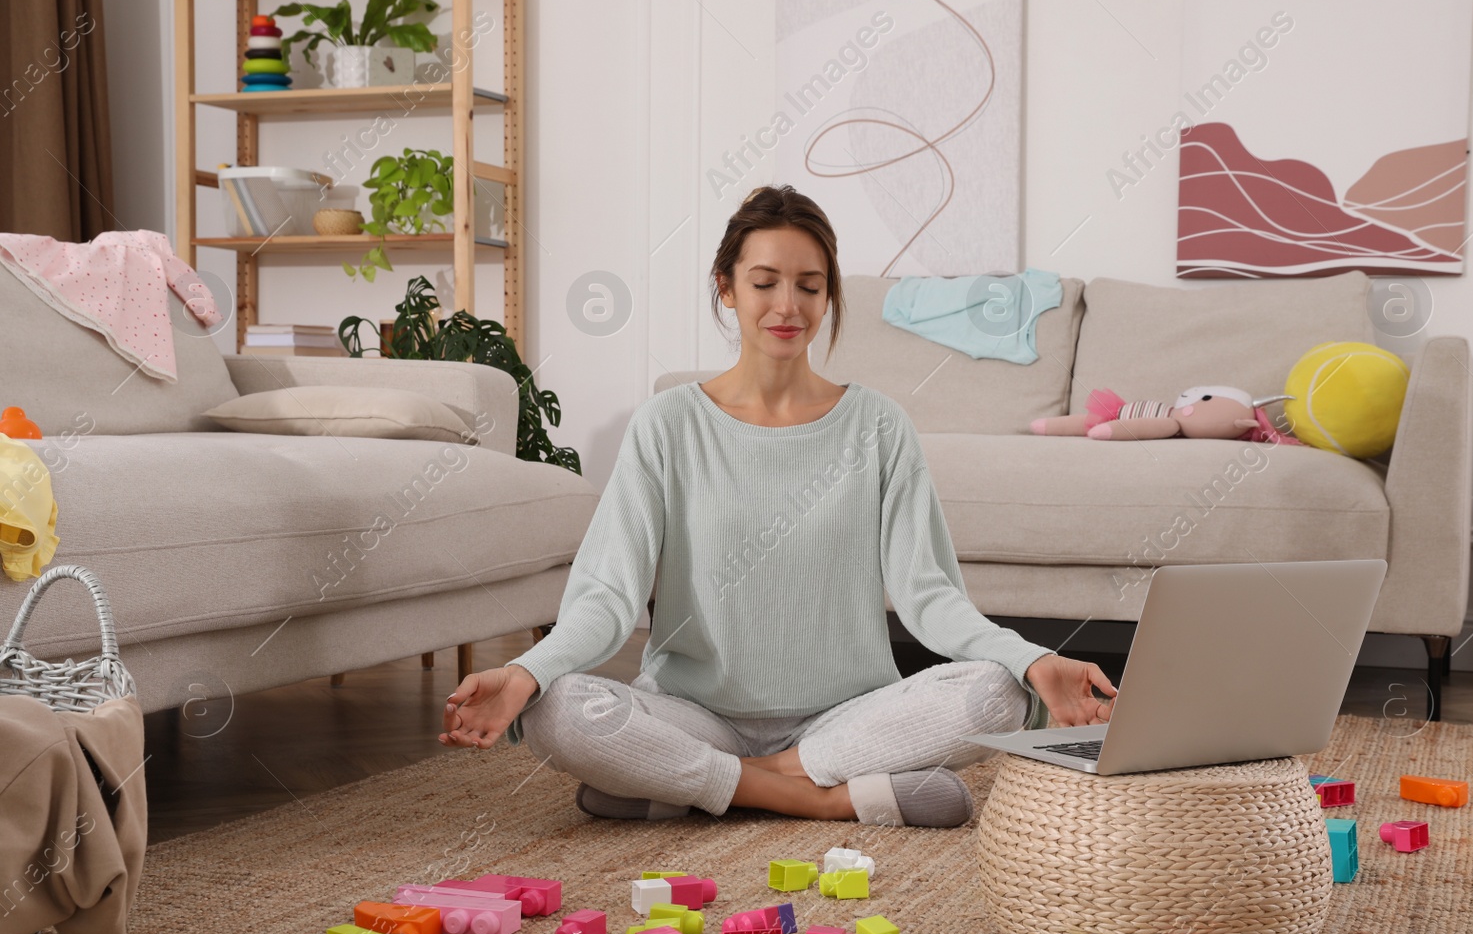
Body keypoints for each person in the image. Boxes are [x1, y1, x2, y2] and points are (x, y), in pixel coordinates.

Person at [438, 184, 1118, 827]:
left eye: (809, 286)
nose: (787, 305)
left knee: (997, 691)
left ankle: (692, 787)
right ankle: (820, 800)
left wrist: (1032, 659)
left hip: (845, 719)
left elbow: (930, 596)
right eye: (764, 283)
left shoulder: (879, 426)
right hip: (695, 712)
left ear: (829, 297)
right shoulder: (667, 424)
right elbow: (608, 594)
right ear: (726, 288)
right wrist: (528, 671)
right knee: (558, 709)